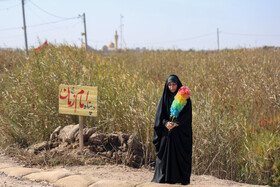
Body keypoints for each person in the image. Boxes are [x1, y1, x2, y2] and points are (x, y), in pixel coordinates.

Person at [152, 75, 192, 185]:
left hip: (179, 132)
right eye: (169, 85)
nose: (171, 87)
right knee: (165, 156)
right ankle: (164, 178)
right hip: (166, 132)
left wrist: (176, 123)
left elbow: (187, 116)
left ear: (178, 84)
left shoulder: (185, 98)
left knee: (178, 156)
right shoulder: (164, 97)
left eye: (174, 84)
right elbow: (159, 115)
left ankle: (178, 178)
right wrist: (165, 123)